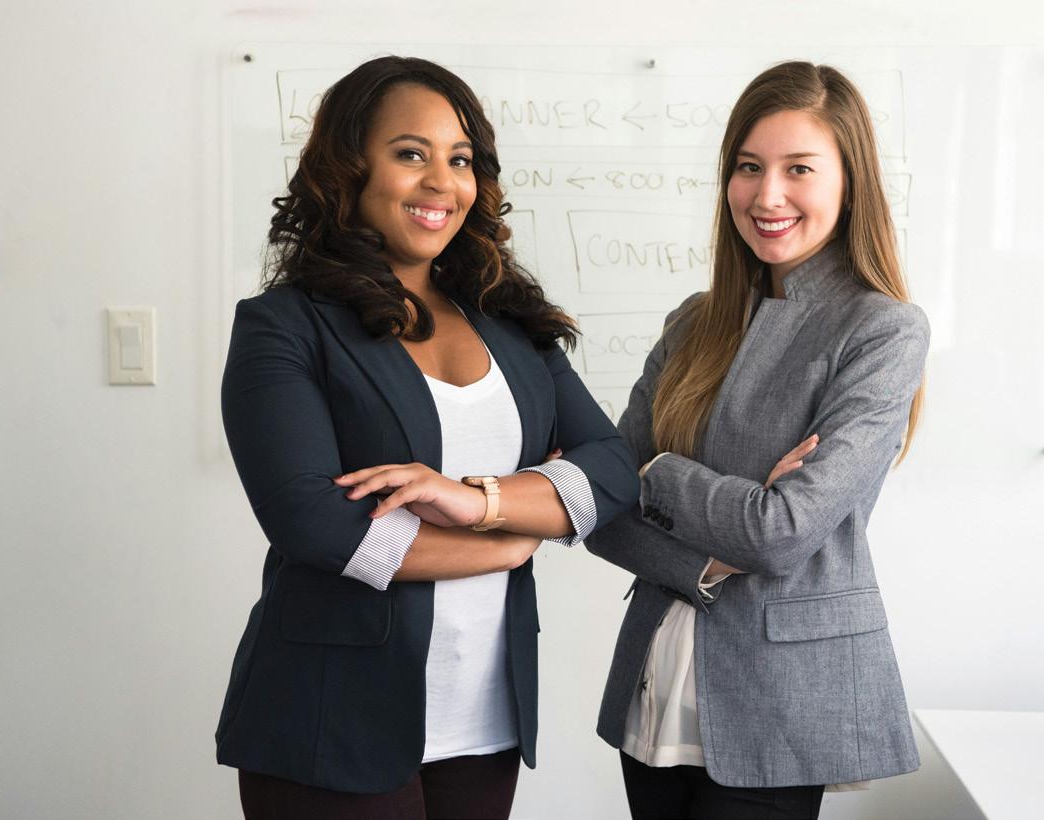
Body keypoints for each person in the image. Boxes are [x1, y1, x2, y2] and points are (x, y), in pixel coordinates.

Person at [214, 56, 638, 820]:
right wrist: (509, 542)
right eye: (411, 153)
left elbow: (610, 468)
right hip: (329, 720)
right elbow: (313, 522)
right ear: (349, 168)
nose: (443, 181)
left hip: (484, 720)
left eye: (461, 159)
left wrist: (478, 503)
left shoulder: (511, 323)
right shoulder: (284, 326)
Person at [585, 61, 928, 820]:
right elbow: (602, 510)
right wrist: (705, 559)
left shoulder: (882, 330)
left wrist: (655, 470)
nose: (767, 195)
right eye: (748, 167)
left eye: (798, 168)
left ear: (850, 182)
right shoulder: (692, 321)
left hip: (780, 702)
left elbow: (780, 533)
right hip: (654, 684)